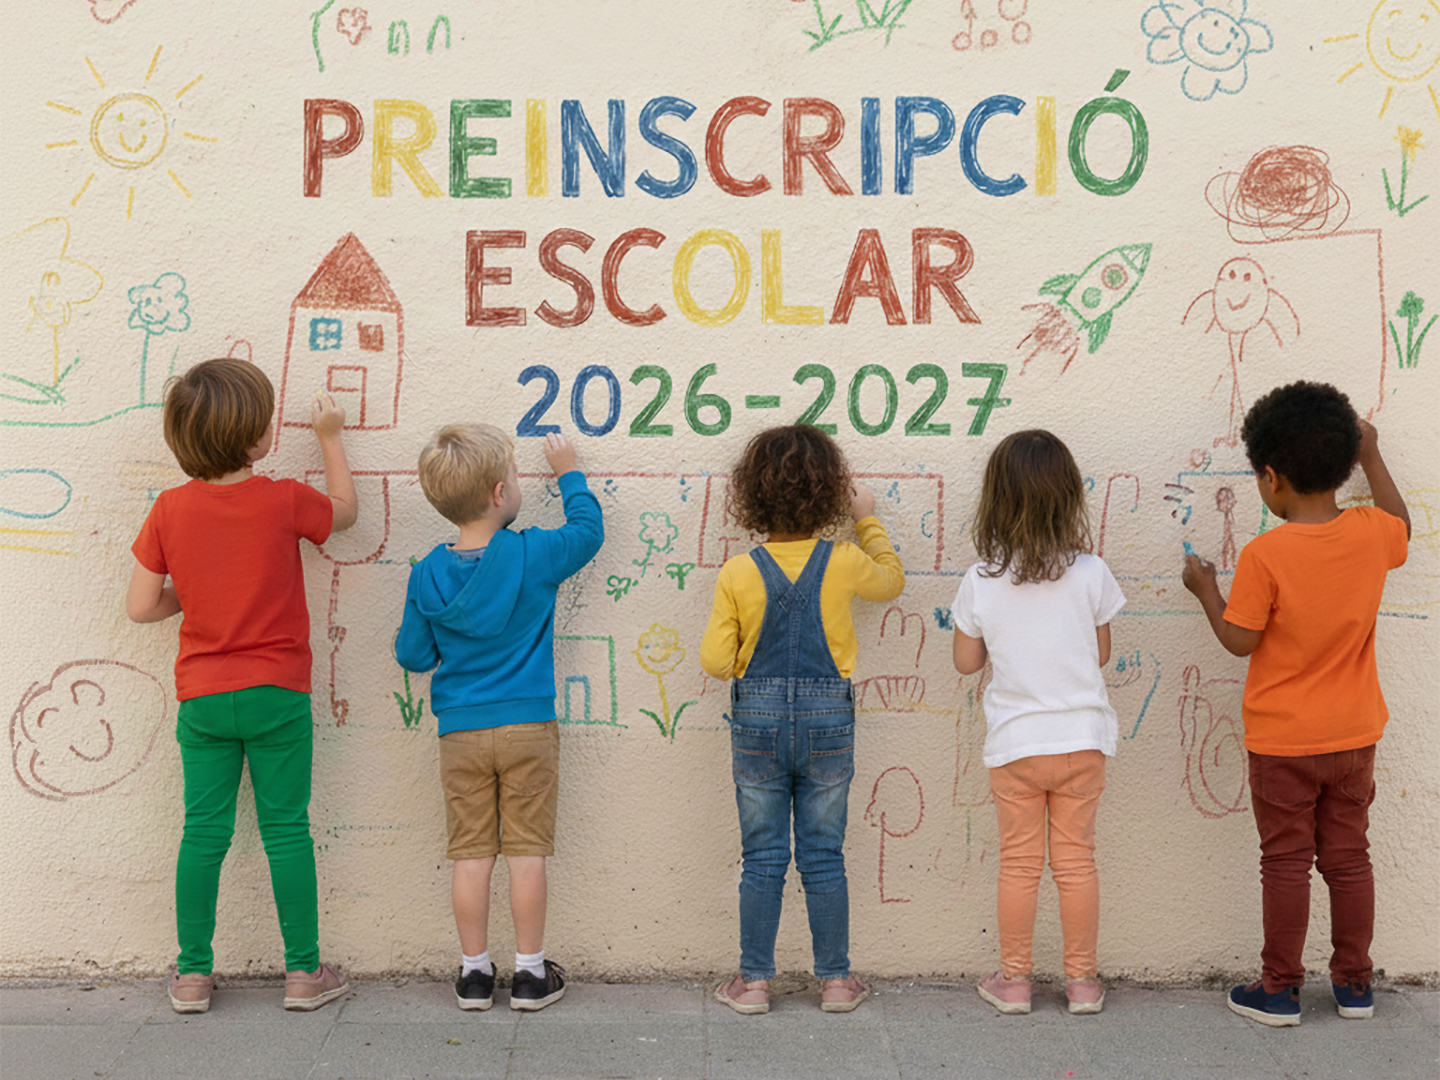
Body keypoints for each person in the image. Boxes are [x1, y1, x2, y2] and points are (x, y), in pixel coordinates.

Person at [127, 358, 358, 1014]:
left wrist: (196, 593)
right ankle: (304, 974)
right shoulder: (283, 500)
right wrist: (331, 437)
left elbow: (141, 606)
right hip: (277, 692)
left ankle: (193, 976)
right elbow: (344, 514)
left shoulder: (169, 510)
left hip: (203, 697)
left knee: (203, 832)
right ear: (254, 438)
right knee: (286, 829)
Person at [1183, 381, 1410, 1027]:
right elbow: (1403, 527)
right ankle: (1355, 986)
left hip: (1283, 743)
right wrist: (1372, 455)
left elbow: (1240, 640)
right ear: (1342, 465)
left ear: (1271, 477)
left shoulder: (1267, 554)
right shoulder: (1371, 533)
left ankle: (1279, 990)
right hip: (1354, 736)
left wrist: (1206, 590)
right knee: (1349, 859)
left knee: (1285, 862)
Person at [395, 426, 602, 1012]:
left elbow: (413, 655)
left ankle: (474, 975)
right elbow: (588, 532)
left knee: (471, 854)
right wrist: (568, 470)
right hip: (527, 727)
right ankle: (531, 975)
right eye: (513, 476)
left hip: (460, 733)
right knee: (526, 852)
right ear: (499, 493)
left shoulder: (426, 573)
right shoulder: (533, 553)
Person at [700, 424, 904, 1014]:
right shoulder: (844, 561)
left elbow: (716, 662)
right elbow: (891, 581)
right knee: (823, 853)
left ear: (753, 496)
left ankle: (753, 983)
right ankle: (836, 981)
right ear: (828, 494)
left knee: (763, 855)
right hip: (828, 720)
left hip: (758, 723)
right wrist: (867, 519)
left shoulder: (739, 572)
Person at [951, 429, 1125, 1016]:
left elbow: (966, 662)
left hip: (1017, 746)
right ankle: (1082, 984)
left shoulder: (981, 579)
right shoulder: (1091, 572)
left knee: (1020, 864)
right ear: (1068, 496)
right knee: (1076, 862)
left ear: (996, 500)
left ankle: (1016, 982)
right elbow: (1101, 653)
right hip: (1082, 741)